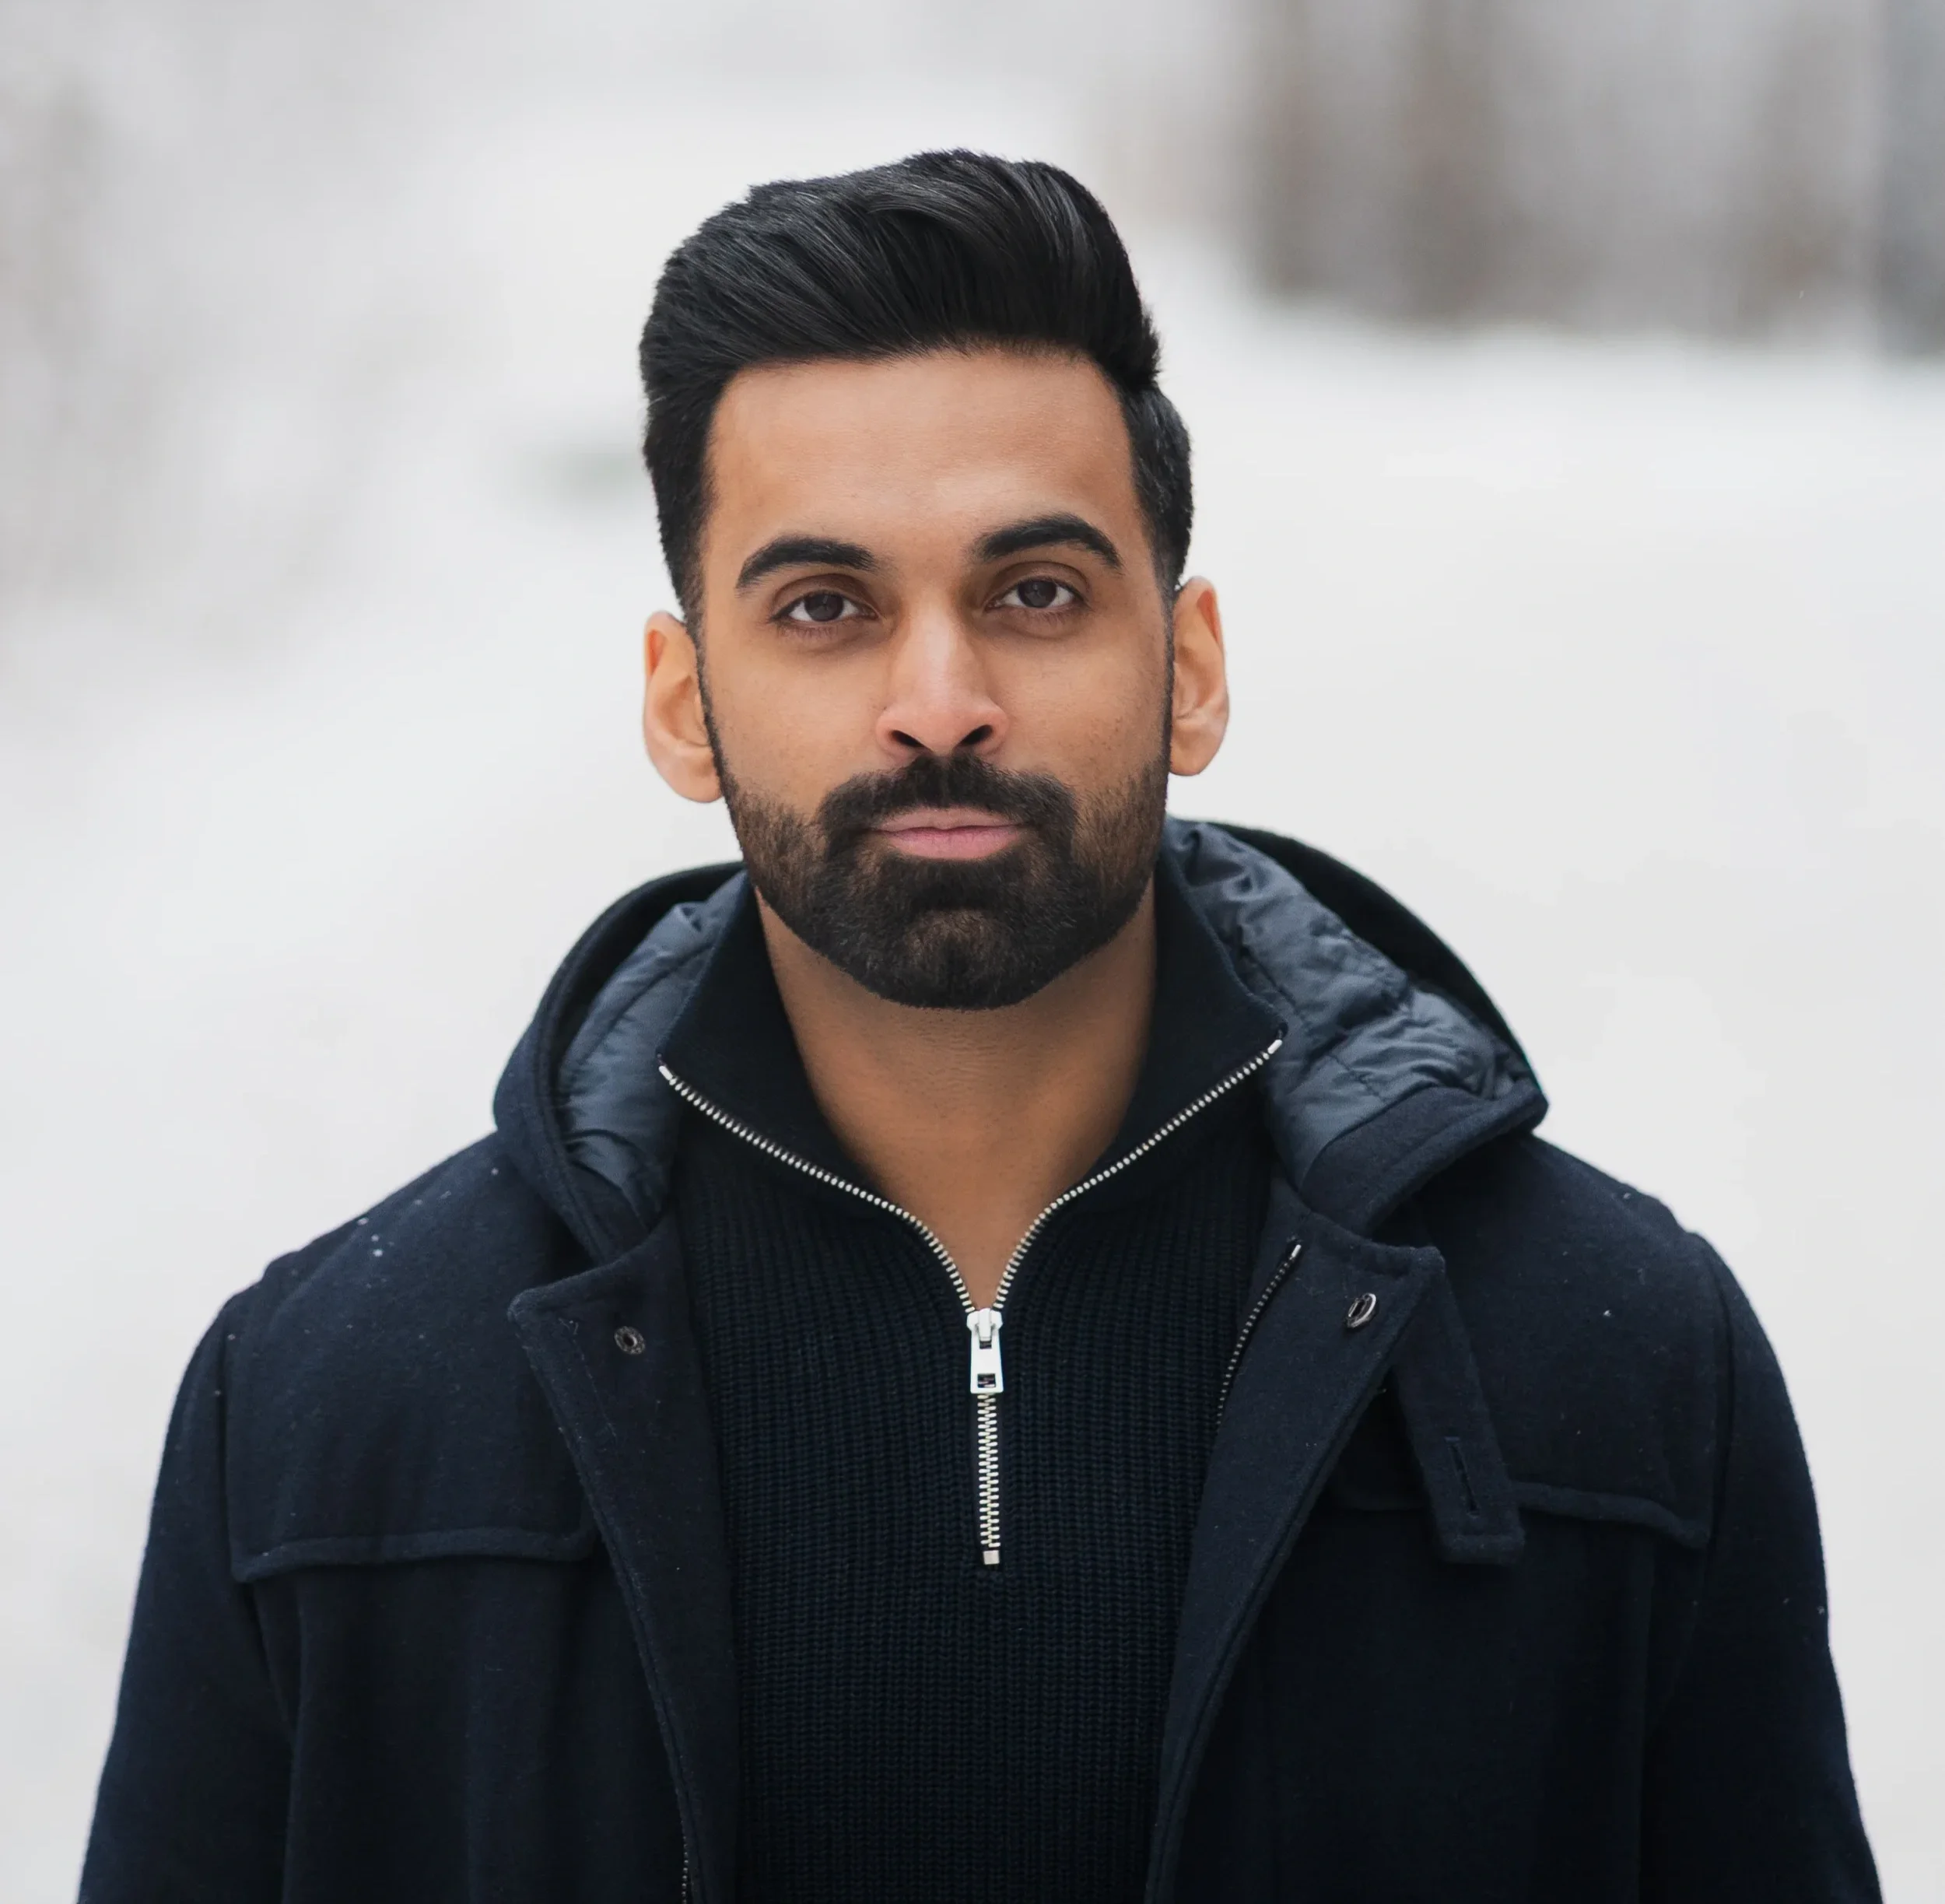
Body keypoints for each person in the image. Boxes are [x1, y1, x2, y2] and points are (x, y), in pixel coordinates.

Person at [82, 151, 1878, 1904]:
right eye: (824, 607)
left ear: (1187, 668)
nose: (937, 703)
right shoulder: (324, 1420)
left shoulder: (1620, 1374)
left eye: (1033, 593)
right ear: (682, 702)